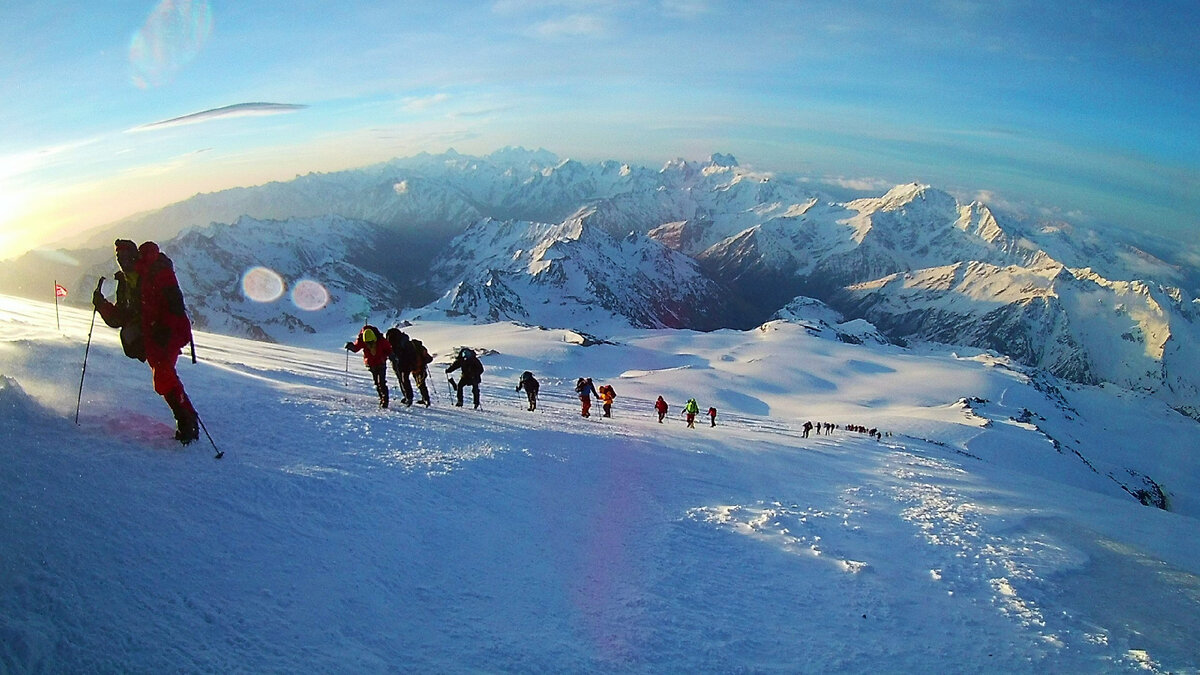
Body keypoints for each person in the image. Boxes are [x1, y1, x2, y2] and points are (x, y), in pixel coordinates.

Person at [94, 239, 199, 444]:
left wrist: (165, 332)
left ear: (135, 256)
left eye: (126, 257)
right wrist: (102, 305)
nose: (123, 262)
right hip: (153, 335)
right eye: (119, 259)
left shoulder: (156, 272)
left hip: (170, 332)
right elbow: (121, 317)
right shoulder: (126, 283)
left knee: (163, 375)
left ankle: (188, 422)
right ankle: (186, 418)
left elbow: (175, 306)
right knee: (163, 376)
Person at [345, 325, 392, 408]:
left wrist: (351, 346)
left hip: (377, 363)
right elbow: (356, 348)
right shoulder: (378, 340)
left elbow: (356, 348)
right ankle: (383, 398)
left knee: (380, 382)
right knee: (378, 383)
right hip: (375, 363)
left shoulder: (377, 340)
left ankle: (384, 400)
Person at [384, 327, 417, 406]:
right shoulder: (404, 341)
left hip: (401, 363)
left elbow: (390, 352)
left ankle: (408, 397)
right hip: (407, 363)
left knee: (402, 379)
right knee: (404, 379)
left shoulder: (395, 342)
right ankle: (407, 397)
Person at [408, 336, 433, 406]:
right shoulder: (422, 349)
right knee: (422, 385)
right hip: (421, 369)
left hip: (415, 369)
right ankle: (425, 399)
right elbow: (429, 359)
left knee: (420, 385)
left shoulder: (411, 349)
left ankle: (426, 399)